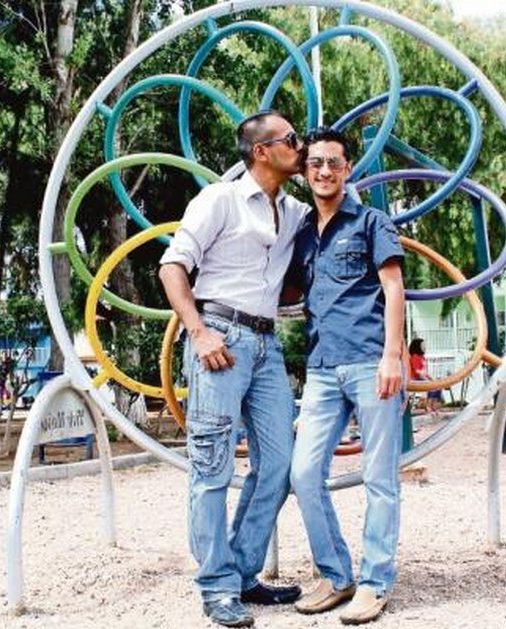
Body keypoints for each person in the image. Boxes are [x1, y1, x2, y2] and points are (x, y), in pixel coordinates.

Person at [158, 110, 310, 628]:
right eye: (292, 138)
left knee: (280, 463)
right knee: (211, 467)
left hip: (267, 344)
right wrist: (198, 333)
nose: (302, 144)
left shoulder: (292, 211)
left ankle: (241, 574)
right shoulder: (219, 199)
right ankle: (216, 586)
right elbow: (172, 266)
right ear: (261, 151)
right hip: (219, 337)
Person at [287, 127, 407, 625]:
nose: (324, 171)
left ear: (347, 169)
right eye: (315, 163)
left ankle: (375, 583)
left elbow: (394, 286)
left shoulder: (371, 221)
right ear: (305, 170)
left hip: (369, 362)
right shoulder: (302, 233)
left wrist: (393, 356)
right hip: (320, 369)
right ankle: (336, 575)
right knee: (303, 474)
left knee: (380, 478)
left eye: (333, 162)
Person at [408, 338, 441, 417]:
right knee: (432, 386)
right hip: (415, 379)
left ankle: (434, 406)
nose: (425, 347)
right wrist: (427, 379)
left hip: (423, 378)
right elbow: (417, 371)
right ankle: (428, 406)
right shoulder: (415, 357)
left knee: (439, 386)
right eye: (423, 345)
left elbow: (425, 372)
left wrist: (432, 379)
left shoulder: (422, 357)